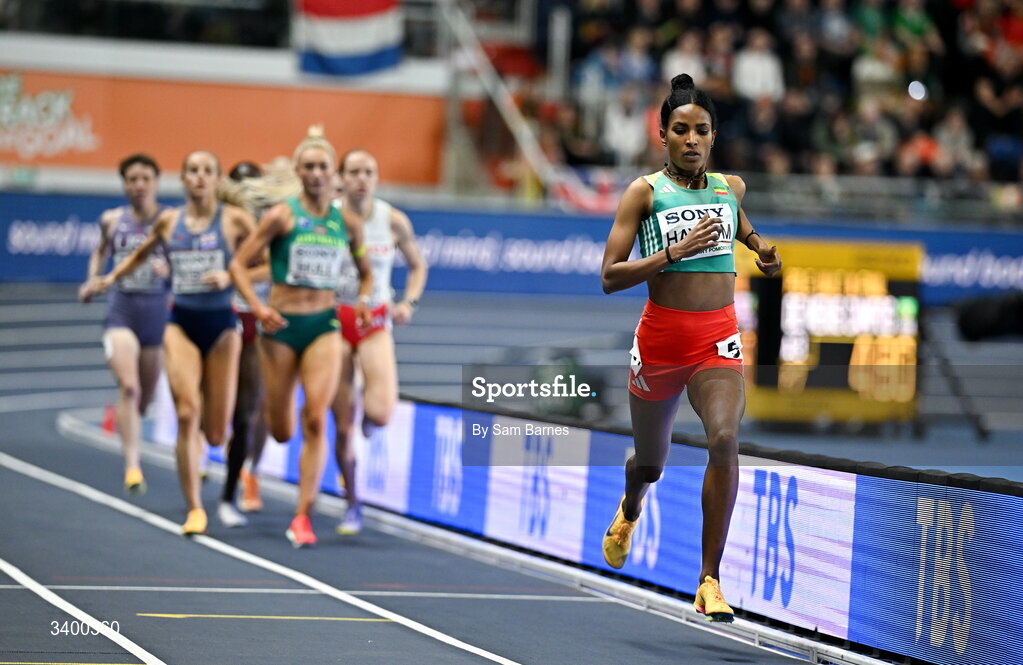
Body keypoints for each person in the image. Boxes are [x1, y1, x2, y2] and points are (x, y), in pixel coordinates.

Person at [599, 74, 782, 623]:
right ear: (663, 135)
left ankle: (709, 580)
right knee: (651, 465)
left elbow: (740, 223)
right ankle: (631, 506)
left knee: (725, 438)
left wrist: (759, 248)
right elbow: (609, 276)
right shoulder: (645, 192)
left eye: (701, 130)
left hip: (715, 338)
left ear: (713, 136)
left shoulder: (731, 188)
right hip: (659, 341)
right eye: (681, 130)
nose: (692, 139)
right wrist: (672, 253)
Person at [88, 150, 255, 536]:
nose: (199, 177)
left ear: (217, 180)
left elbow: (266, 262)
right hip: (180, 322)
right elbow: (138, 256)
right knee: (185, 414)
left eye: (206, 171)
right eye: (192, 170)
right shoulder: (168, 221)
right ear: (182, 179)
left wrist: (231, 276)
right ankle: (195, 508)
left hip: (223, 328)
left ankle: (211, 460)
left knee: (215, 433)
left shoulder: (233, 221)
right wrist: (108, 279)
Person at [229, 127, 373, 548]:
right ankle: (267, 457)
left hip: (323, 326)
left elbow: (366, 273)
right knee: (281, 430)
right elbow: (238, 265)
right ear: (298, 172)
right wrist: (257, 308)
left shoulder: (346, 221)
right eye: (308, 166)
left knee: (315, 417)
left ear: (335, 174)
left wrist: (363, 299)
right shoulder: (281, 217)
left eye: (323, 166)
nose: (316, 173)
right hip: (280, 329)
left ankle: (302, 516)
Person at [330, 150, 429, 535]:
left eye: (368, 172)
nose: (361, 178)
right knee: (342, 426)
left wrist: (409, 302)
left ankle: (368, 421)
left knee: (382, 413)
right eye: (353, 171)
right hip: (334, 321)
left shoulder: (392, 219)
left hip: (374, 321)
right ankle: (353, 501)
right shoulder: (329, 216)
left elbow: (418, 265)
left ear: (376, 177)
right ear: (341, 177)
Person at [78, 153, 170, 494]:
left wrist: (169, 272)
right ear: (125, 184)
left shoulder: (170, 220)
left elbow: (184, 261)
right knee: (128, 388)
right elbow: (100, 251)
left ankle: (127, 419)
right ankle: (133, 466)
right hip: (122, 312)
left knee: (143, 398)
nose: (139, 185)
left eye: (146, 178)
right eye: (132, 179)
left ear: (156, 182)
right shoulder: (112, 220)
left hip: (156, 316)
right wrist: (92, 281)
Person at [214, 160, 272, 527]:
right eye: (242, 187)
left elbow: (274, 267)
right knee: (214, 419)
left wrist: (235, 277)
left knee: (248, 413)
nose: (249, 195)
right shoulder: (220, 219)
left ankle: (230, 492)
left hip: (256, 320)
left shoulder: (274, 222)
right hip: (216, 319)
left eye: (255, 188)